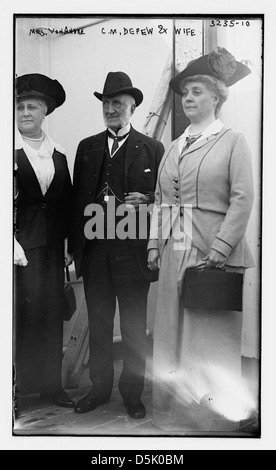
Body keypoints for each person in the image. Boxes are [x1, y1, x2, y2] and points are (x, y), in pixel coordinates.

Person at [147, 47, 255, 432]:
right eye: (186, 92)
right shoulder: (175, 146)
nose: (189, 99)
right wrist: (153, 246)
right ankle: (172, 414)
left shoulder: (232, 140)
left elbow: (243, 198)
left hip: (212, 250)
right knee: (170, 331)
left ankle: (210, 420)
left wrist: (222, 247)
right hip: (174, 247)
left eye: (197, 92)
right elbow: (162, 200)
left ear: (217, 97)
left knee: (206, 335)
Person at [71, 71, 164, 418]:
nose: (111, 109)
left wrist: (151, 198)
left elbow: (167, 197)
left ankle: (132, 393)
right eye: (106, 103)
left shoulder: (152, 148)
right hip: (95, 249)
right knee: (99, 321)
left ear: (133, 107)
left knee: (133, 324)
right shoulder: (87, 147)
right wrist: (73, 248)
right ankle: (98, 388)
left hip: (133, 250)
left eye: (118, 103)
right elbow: (76, 201)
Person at [14, 73, 75, 410]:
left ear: (44, 112)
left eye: (32, 106)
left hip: (53, 250)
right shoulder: (8, 150)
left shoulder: (59, 154)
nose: (25, 112)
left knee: (51, 315)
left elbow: (64, 205)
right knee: (21, 316)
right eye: (20, 106)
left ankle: (52, 388)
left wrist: (68, 248)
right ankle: (15, 390)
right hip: (19, 250)